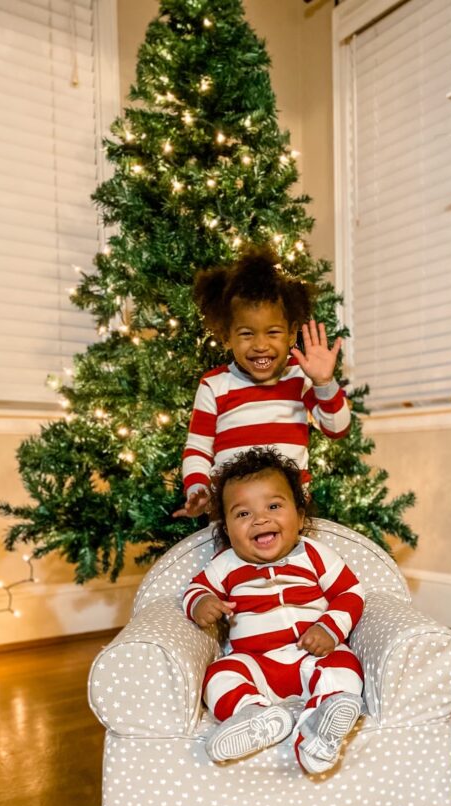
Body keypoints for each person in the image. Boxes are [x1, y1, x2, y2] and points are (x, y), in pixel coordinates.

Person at [183, 447, 365, 774]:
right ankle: (255, 716)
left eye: (274, 506)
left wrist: (329, 628)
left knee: (344, 664)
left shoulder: (315, 554)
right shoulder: (226, 563)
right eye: (242, 514)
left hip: (313, 656)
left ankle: (319, 727)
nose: (260, 519)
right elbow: (196, 590)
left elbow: (350, 593)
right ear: (225, 527)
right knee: (219, 674)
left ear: (299, 512)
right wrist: (201, 603)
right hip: (257, 664)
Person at [173, 246, 351, 519]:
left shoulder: (299, 379)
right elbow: (197, 448)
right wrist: (197, 486)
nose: (260, 345)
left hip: (289, 511)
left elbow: (337, 428)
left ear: (292, 334)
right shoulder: (214, 385)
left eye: (273, 332)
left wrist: (324, 383)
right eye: (246, 334)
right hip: (233, 514)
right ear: (226, 336)